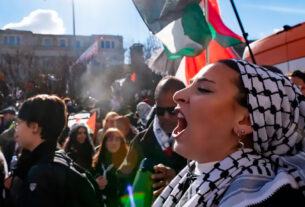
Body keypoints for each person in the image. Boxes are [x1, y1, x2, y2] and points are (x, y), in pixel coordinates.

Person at [153, 59, 305, 206]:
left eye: (203, 89)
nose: (177, 96)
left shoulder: (271, 197)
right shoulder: (191, 175)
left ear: (244, 121)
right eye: (190, 85)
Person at [8, 94, 100, 207]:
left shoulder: (41, 173)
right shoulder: (59, 160)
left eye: (19, 123)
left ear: (34, 127)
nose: (16, 130)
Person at [119, 76, 187, 197]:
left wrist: (177, 179)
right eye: (160, 111)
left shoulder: (201, 140)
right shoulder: (140, 142)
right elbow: (124, 183)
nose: (166, 116)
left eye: (172, 110)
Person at [92, 128, 128, 207]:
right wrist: (95, 183)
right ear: (105, 143)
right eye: (110, 140)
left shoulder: (127, 164)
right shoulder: (97, 162)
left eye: (117, 139)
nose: (114, 143)